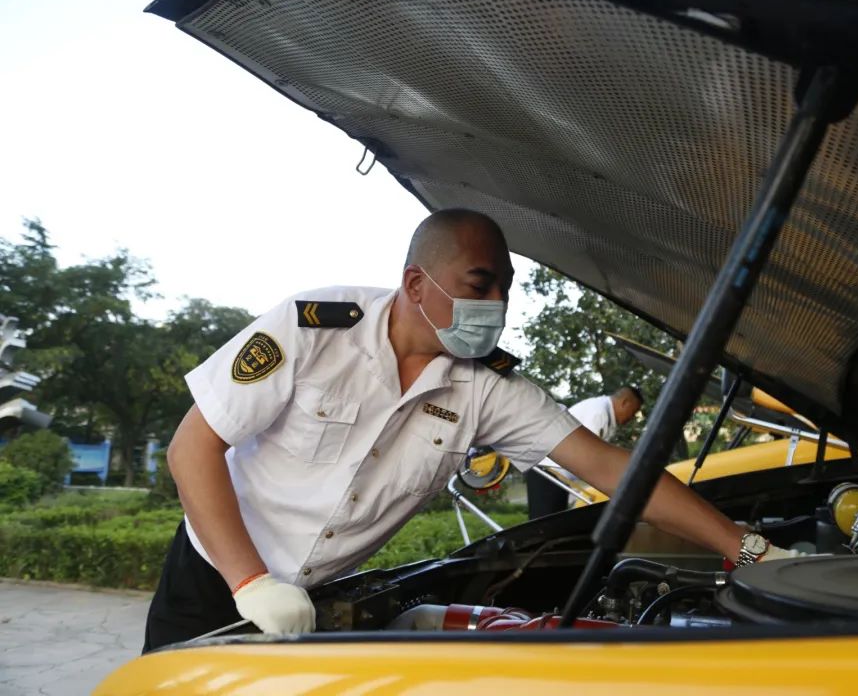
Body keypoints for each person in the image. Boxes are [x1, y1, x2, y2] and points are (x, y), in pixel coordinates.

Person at [144, 208, 796, 652]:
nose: (496, 308)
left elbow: (610, 470)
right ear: (415, 283)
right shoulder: (313, 330)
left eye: (505, 292)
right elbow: (193, 447)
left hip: (313, 599)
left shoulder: (488, 387)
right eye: (479, 285)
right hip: (211, 578)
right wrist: (250, 583)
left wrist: (742, 545)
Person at [526, 386, 643, 519]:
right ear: (625, 403)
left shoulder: (604, 413)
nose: (632, 417)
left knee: (554, 526)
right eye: (633, 412)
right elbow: (589, 459)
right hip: (548, 472)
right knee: (544, 528)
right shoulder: (599, 414)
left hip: (556, 474)